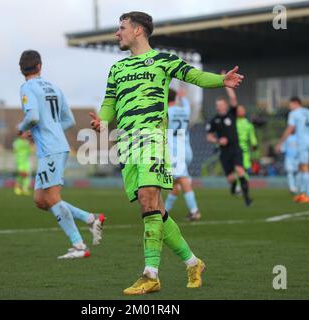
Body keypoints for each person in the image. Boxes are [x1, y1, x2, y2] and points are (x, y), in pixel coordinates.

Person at [89, 11, 243, 295]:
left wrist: (221, 80)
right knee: (155, 210)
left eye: (121, 28)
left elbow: (193, 75)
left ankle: (150, 274)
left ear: (138, 31)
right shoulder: (117, 69)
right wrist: (102, 121)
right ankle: (193, 262)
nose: (116, 33)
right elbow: (109, 101)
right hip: (127, 143)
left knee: (149, 199)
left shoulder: (164, 61)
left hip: (152, 140)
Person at [17, 50, 105, 259]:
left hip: (50, 149)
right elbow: (70, 121)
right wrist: (49, 129)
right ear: (40, 66)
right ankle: (91, 218)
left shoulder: (27, 87)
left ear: (21, 69)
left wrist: (22, 128)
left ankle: (78, 245)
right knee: (41, 200)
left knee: (52, 198)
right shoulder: (55, 88)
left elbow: (32, 115)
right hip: (55, 146)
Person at [206, 93, 253, 206]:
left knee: (240, 171)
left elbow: (233, 98)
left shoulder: (232, 114)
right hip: (224, 152)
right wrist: (218, 141)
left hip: (236, 149)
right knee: (231, 178)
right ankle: (233, 185)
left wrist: (227, 83)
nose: (219, 106)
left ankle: (247, 198)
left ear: (225, 105)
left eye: (221, 104)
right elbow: (209, 137)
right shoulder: (214, 120)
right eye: (217, 105)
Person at [276, 97, 309, 203]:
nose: (290, 107)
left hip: (302, 143)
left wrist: (280, 143)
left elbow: (290, 129)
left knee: (304, 168)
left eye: (290, 105)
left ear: (296, 103)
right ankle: (302, 194)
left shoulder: (294, 114)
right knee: (301, 168)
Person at [165, 88, 201, 221]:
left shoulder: (166, 112)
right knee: (174, 182)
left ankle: (194, 211)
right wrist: (183, 97)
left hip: (175, 151)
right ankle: (164, 212)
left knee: (182, 179)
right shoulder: (185, 110)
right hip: (186, 148)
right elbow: (186, 104)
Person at [224, 85, 258, 193]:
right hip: (233, 148)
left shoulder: (248, 124)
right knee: (236, 169)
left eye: (242, 110)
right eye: (239, 109)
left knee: (244, 168)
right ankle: (238, 185)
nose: (240, 111)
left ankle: (241, 186)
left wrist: (254, 144)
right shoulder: (233, 122)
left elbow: (252, 136)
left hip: (244, 149)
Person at [13, 131, 33, 196]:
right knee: (22, 174)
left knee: (27, 175)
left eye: (25, 134)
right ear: (20, 135)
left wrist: (30, 143)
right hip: (19, 161)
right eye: (23, 134)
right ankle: (17, 187)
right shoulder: (17, 142)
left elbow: (30, 150)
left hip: (26, 161)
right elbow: (16, 150)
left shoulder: (27, 142)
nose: (25, 135)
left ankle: (25, 189)